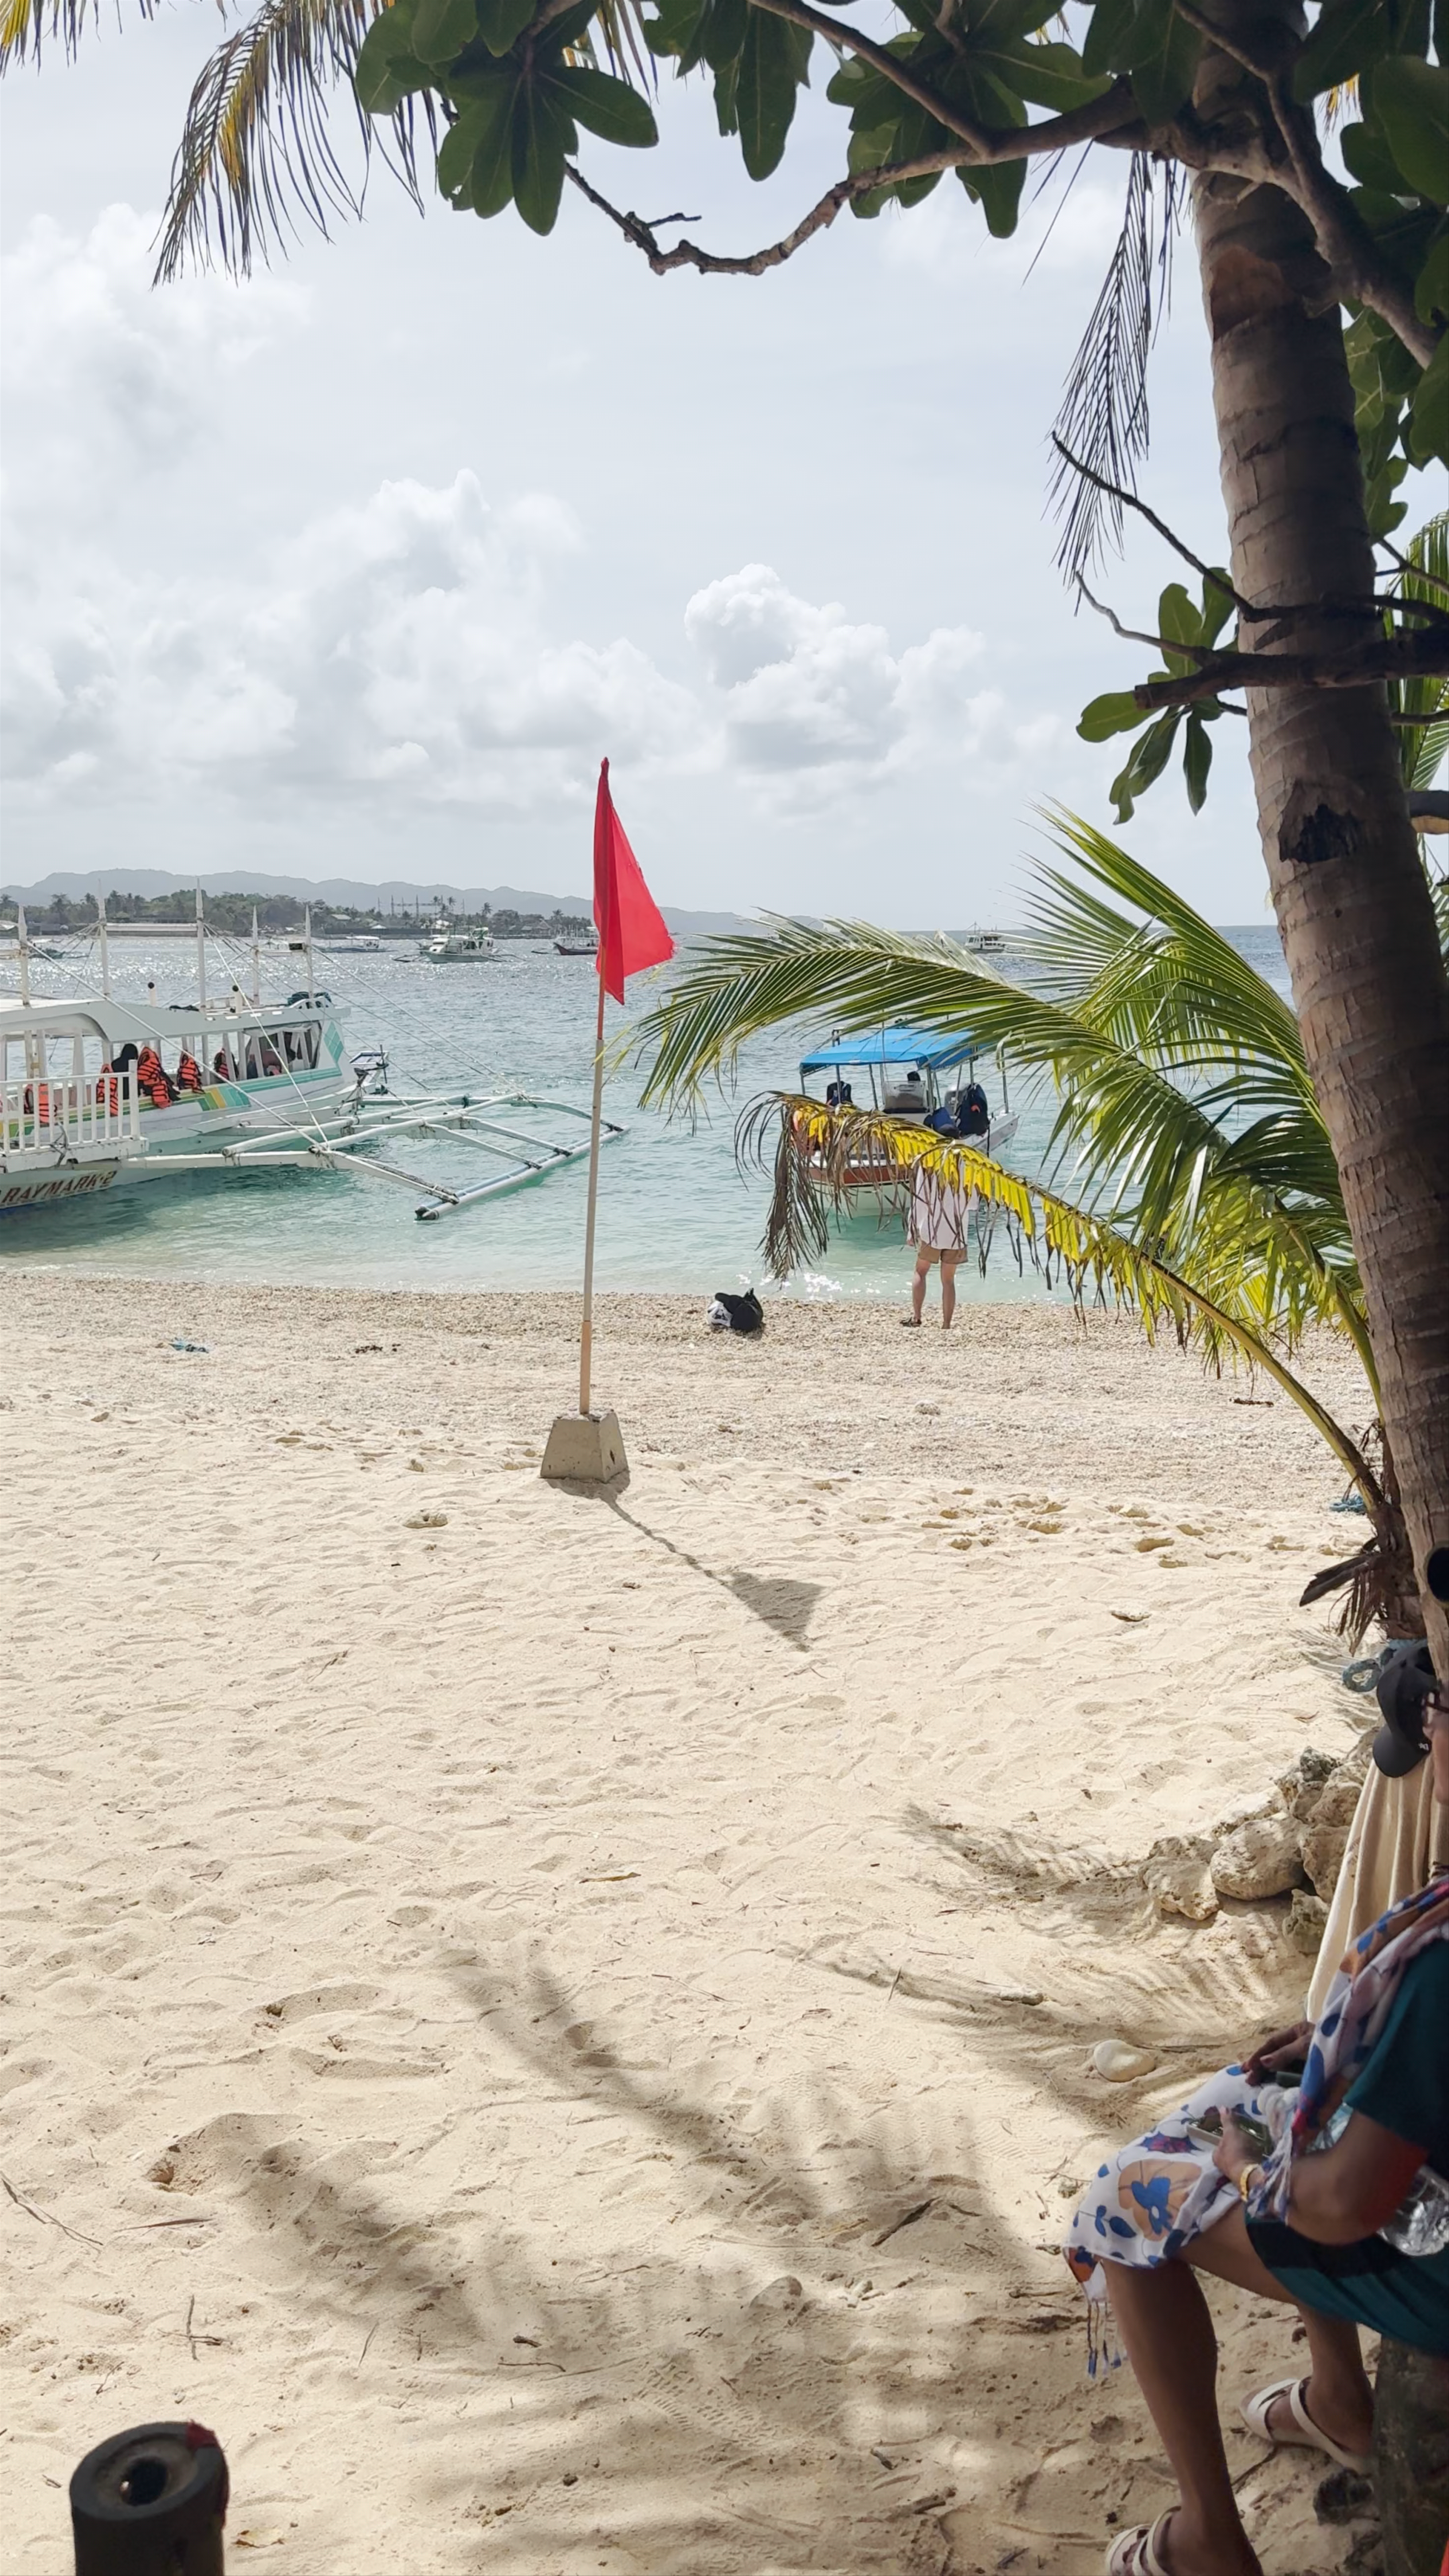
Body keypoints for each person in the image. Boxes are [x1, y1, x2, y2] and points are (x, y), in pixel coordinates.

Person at [1064, 1679, 1449, 2576]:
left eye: (1441, 1700)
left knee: (1123, 2200)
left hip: (1430, 2263)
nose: (1427, 1720)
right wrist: (1343, 2042)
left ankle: (1209, 2535)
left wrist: (1248, 2170)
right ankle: (1338, 2399)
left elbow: (1343, 2202)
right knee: (1290, 2092)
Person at [902, 1163, 974, 1328]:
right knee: (948, 1280)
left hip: (932, 1229)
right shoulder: (966, 1162)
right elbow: (972, 1202)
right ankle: (947, 1324)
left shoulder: (929, 1164)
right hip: (957, 1231)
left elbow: (920, 1199)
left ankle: (917, 1317)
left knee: (921, 1271)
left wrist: (912, 1229)